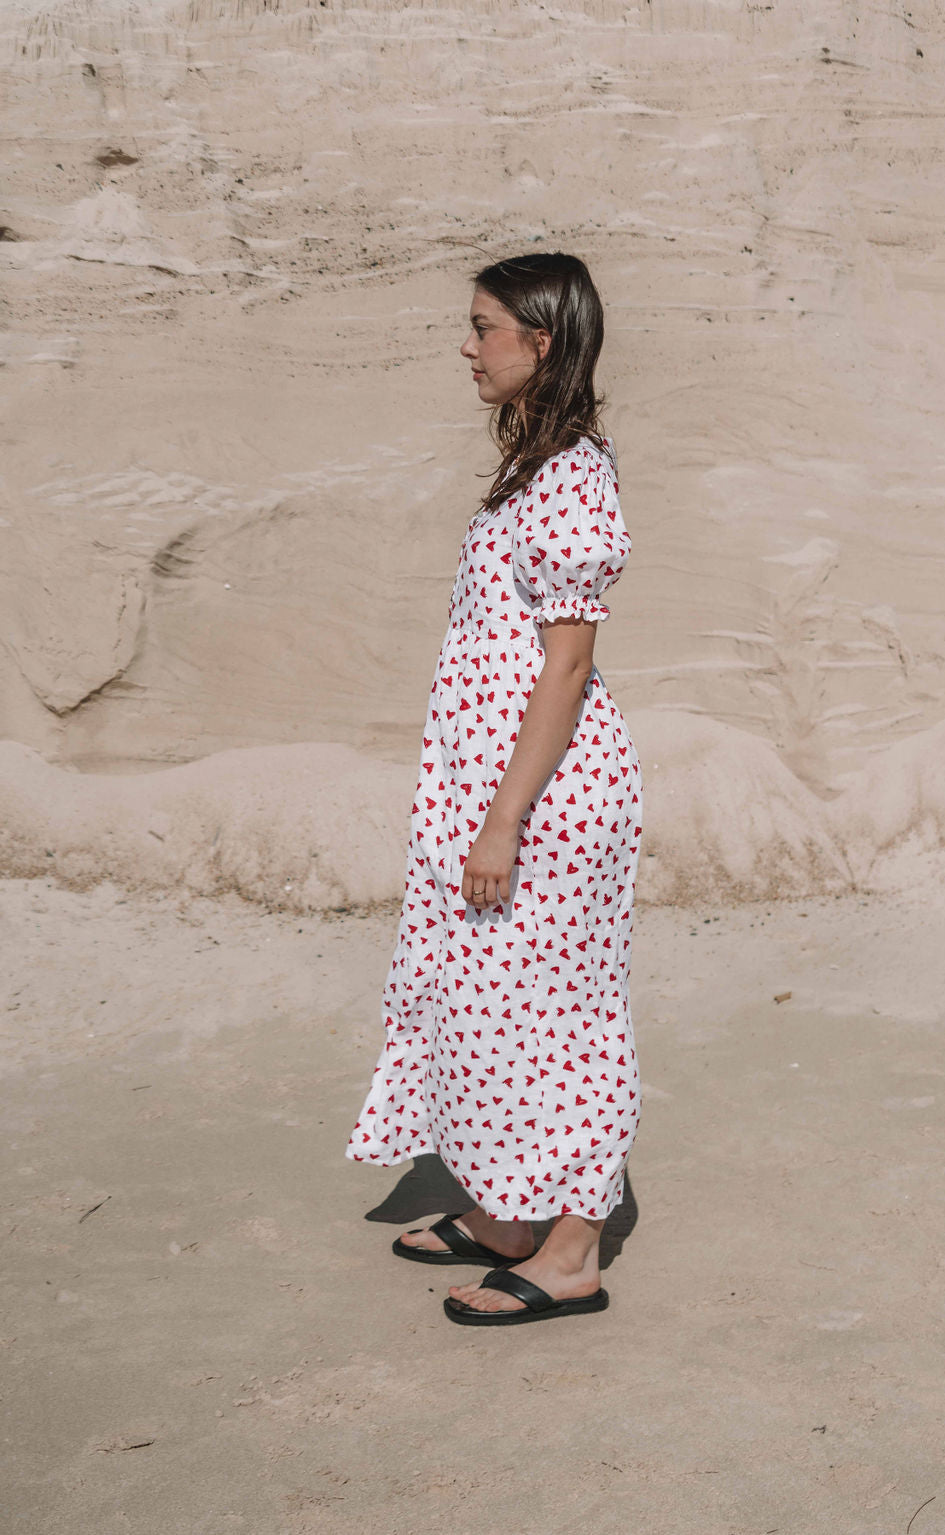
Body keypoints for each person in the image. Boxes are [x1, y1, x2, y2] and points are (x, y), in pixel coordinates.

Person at [346, 251, 642, 1326]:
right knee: (487, 1005)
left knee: (562, 1015)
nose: (467, 347)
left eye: (483, 327)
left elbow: (565, 666)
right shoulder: (538, 463)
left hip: (548, 798)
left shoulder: (572, 476)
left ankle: (570, 1249)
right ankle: (511, 1216)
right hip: (500, 785)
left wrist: (504, 819)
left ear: (542, 339)